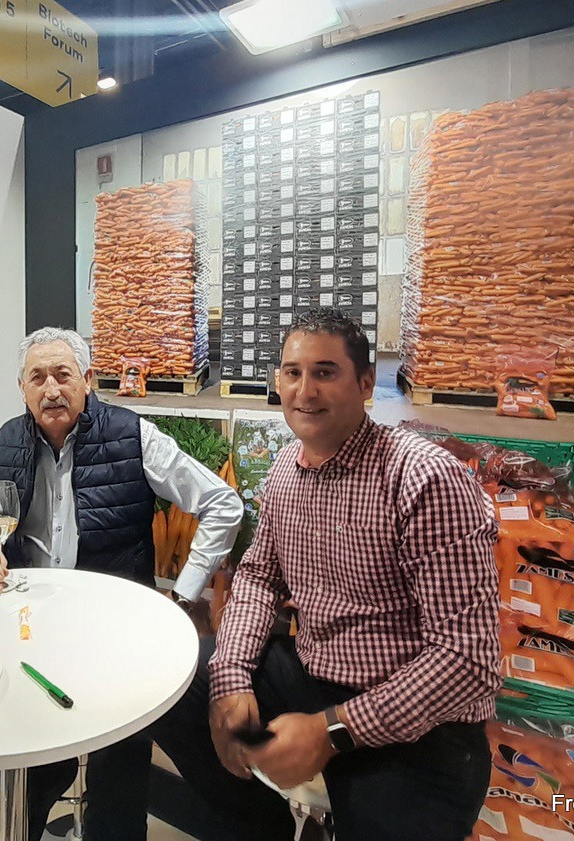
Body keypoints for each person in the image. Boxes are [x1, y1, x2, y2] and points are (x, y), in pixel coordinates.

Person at [154, 308, 501, 840]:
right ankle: (263, 825)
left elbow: (467, 660)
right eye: (293, 373)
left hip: (423, 720)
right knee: (178, 684)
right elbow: (259, 579)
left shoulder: (423, 480)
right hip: (317, 675)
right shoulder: (285, 473)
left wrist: (333, 730)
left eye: (325, 372)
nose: (305, 391)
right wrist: (231, 679)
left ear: (365, 384)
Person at [0, 326, 243, 841]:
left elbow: (223, 503)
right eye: (37, 378)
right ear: (21, 388)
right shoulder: (4, 443)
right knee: (20, 757)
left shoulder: (132, 436)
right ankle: (30, 811)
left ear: (87, 380)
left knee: (120, 773)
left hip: (115, 634)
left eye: (63, 375)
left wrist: (184, 593)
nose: (51, 389)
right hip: (31, 632)